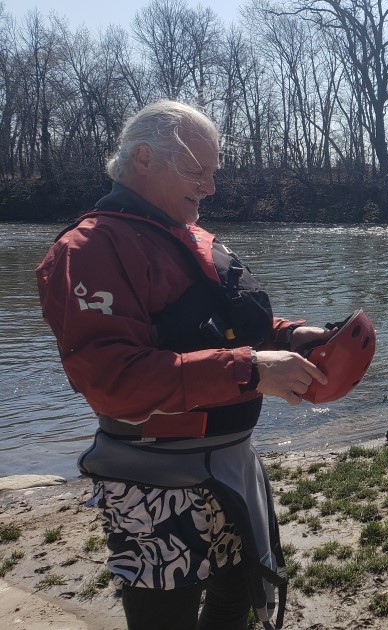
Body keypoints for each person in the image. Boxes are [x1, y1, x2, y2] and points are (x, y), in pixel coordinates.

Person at [36, 100, 333, 630]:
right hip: (152, 482)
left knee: (237, 600)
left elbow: (225, 326)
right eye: (199, 172)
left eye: (213, 173)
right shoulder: (88, 247)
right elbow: (112, 381)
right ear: (144, 158)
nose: (211, 188)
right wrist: (251, 369)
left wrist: (290, 335)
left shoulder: (190, 235)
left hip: (230, 466)